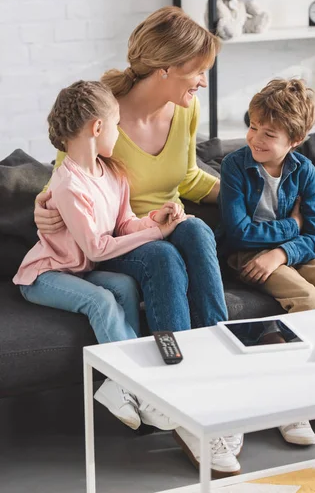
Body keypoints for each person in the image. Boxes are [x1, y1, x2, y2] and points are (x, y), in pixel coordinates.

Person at [33, 7, 241, 477]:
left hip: (160, 221)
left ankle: (222, 376)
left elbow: (187, 176)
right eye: (198, 72)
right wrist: (42, 208)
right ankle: (182, 396)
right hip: (123, 237)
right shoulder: (102, 114)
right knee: (164, 258)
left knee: (196, 230)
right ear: (165, 69)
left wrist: (244, 195)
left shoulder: (185, 111)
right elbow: (64, 178)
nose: (203, 83)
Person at [14, 79, 190, 432]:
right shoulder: (68, 185)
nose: (120, 133)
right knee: (102, 302)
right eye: (116, 125)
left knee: (124, 285)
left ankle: (117, 386)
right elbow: (97, 247)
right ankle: (141, 389)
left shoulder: (112, 174)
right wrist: (158, 235)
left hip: (77, 270)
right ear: (98, 127)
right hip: (44, 275)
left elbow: (123, 224)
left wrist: (152, 221)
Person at [217, 77, 315, 446]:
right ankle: (294, 403)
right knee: (311, 302)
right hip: (247, 256)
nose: (255, 139)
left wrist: (282, 250)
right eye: (252, 127)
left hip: (292, 251)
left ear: (294, 141)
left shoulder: (305, 172)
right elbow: (237, 232)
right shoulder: (235, 167)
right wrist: (291, 226)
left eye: (268, 134)